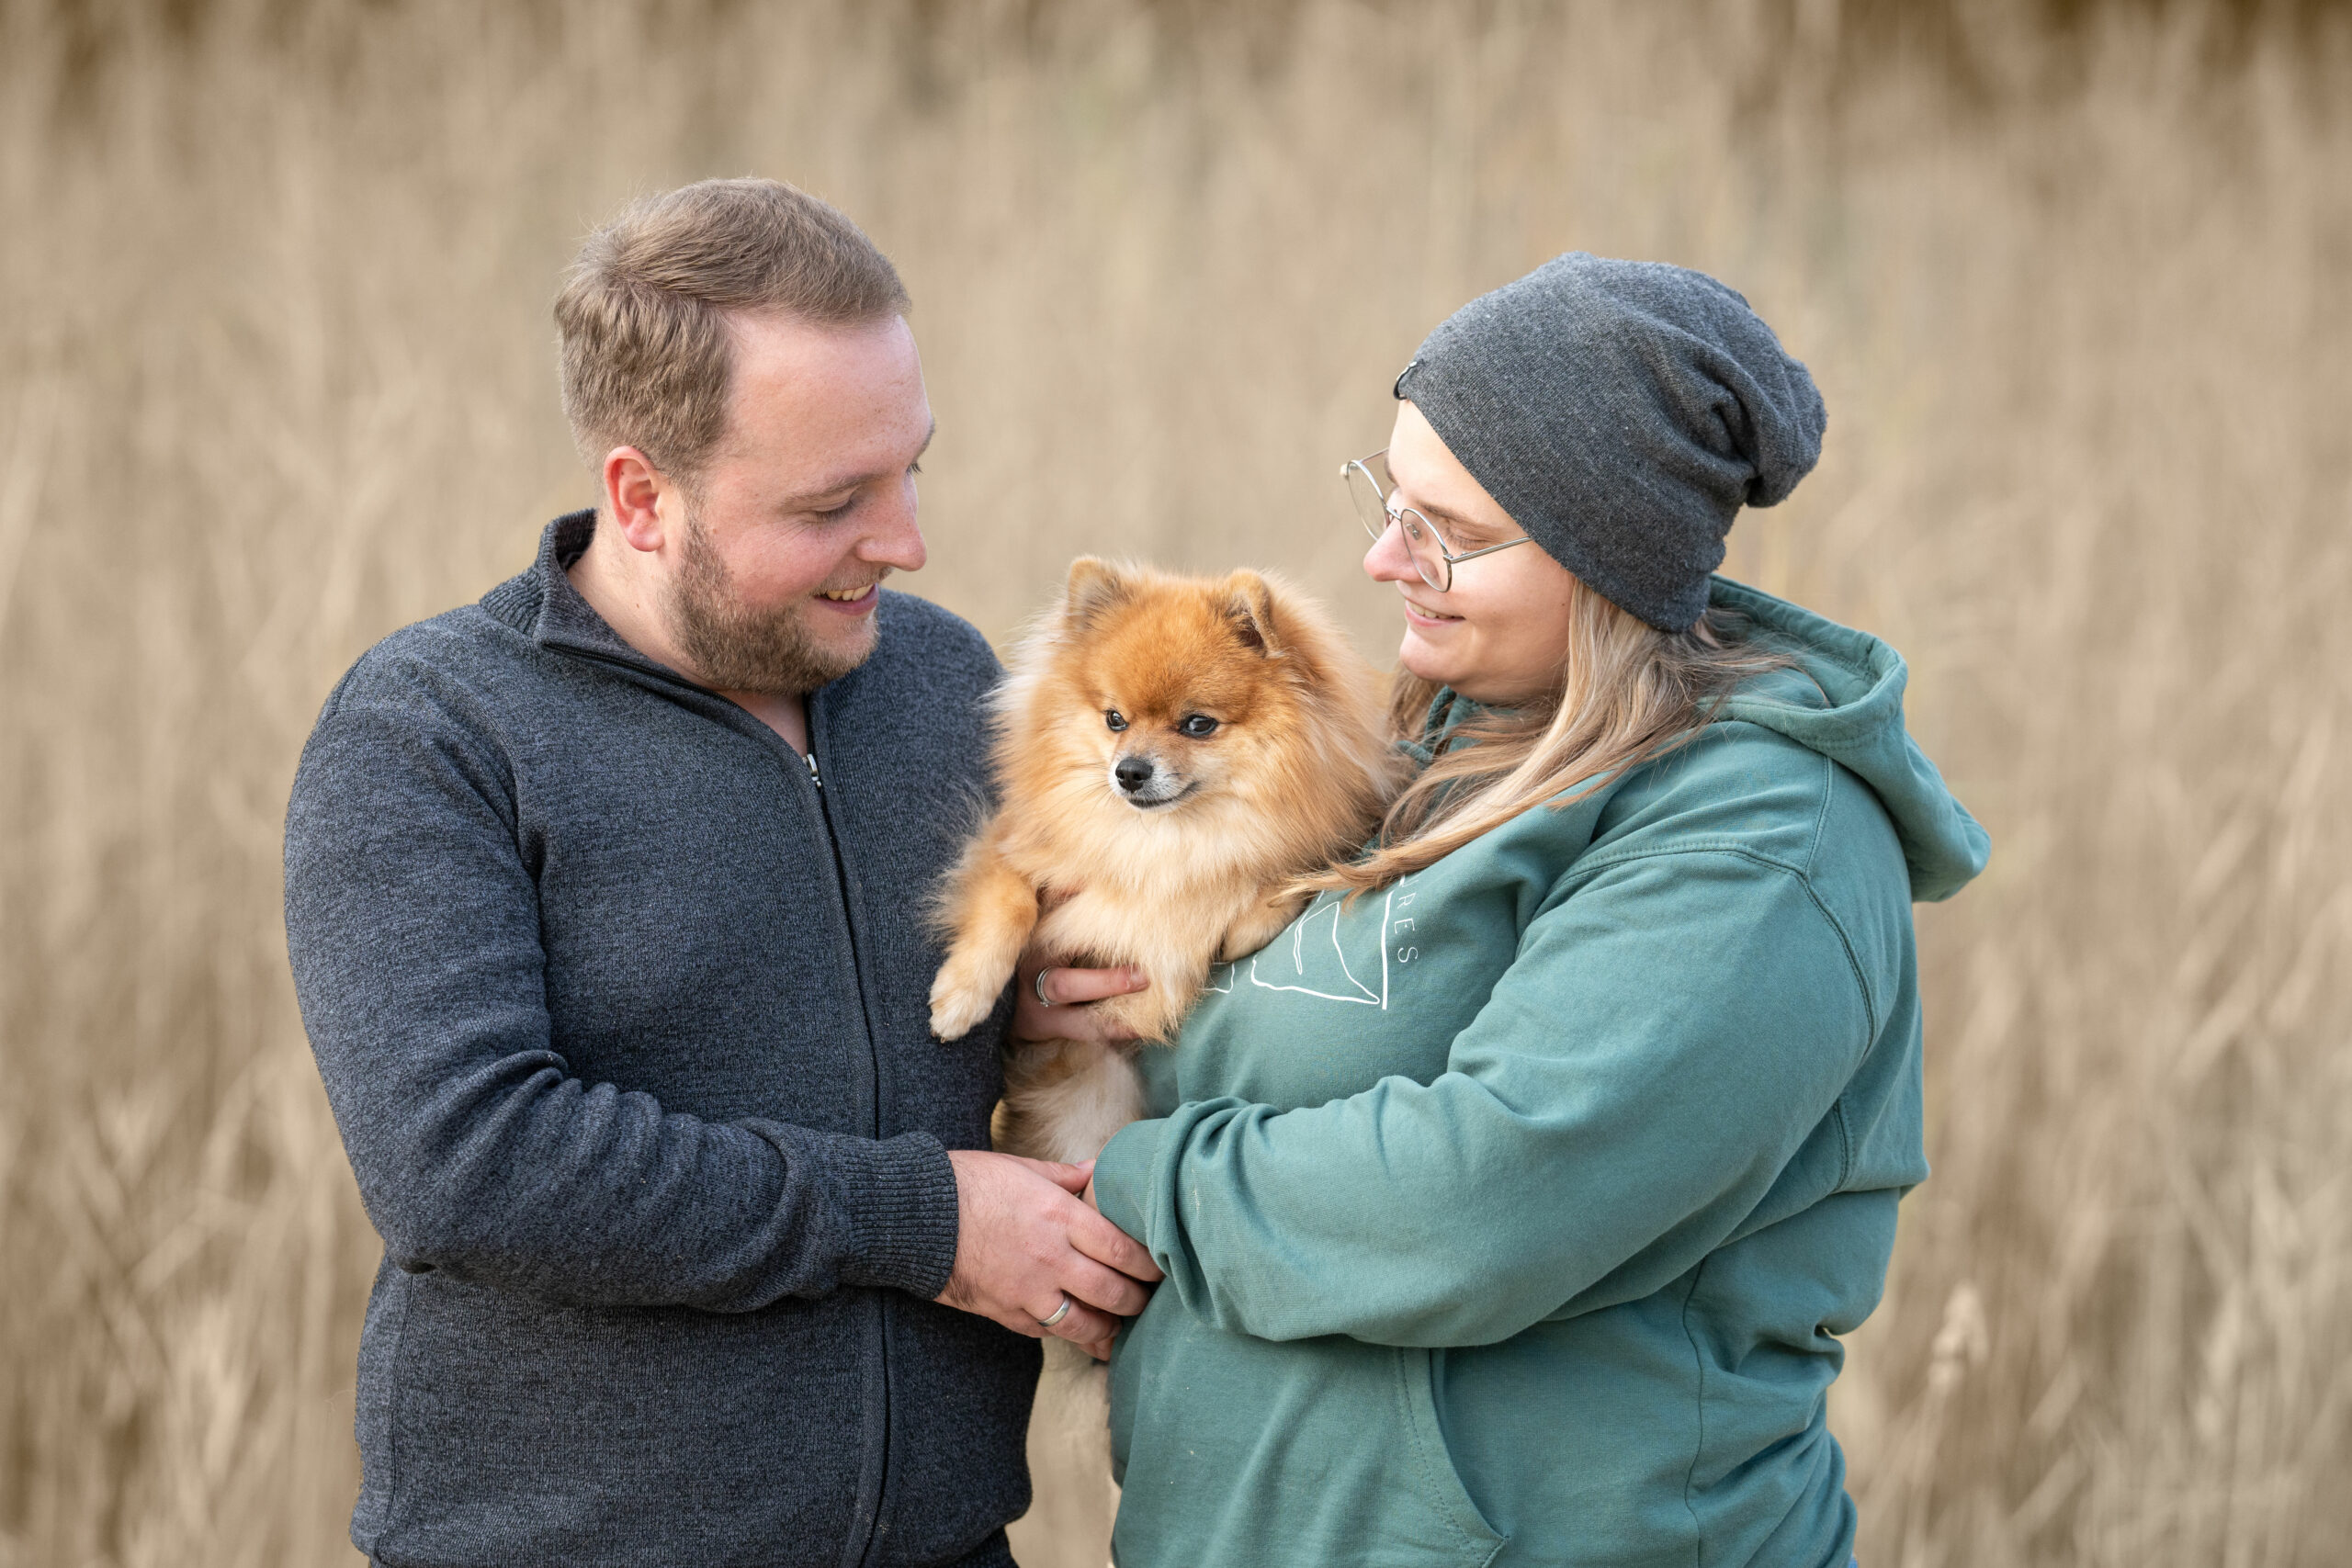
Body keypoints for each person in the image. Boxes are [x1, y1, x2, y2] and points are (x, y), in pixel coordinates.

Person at [281, 178, 1159, 1568]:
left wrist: (1043, 1001)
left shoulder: (944, 682)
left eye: (912, 466)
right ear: (641, 495)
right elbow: (469, 1165)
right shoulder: (433, 736)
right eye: (834, 503)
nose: (907, 539)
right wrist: (921, 1223)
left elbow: (933, 1011)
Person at [1074, 254, 1991, 1567]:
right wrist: (1107, 977)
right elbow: (1285, 1035)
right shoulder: (1416, 747)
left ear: (1598, 547)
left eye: (1446, 529)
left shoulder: (1763, 842)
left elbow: (1483, 1202)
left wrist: (1132, 1181)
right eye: (1388, 498)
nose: (1384, 557)